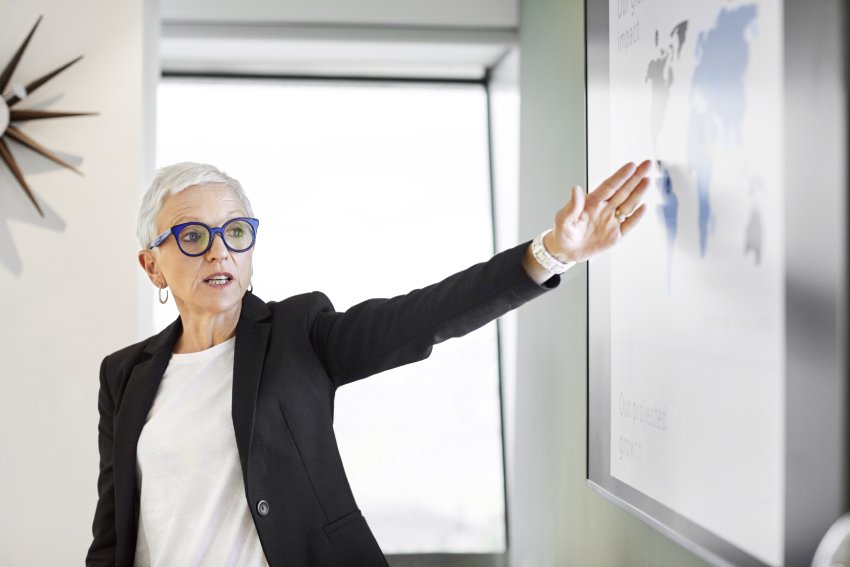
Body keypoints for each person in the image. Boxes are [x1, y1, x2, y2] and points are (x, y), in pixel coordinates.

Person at [85, 159, 651, 567]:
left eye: (235, 231)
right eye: (191, 236)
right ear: (152, 266)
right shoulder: (125, 375)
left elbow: (420, 318)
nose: (218, 251)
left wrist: (549, 253)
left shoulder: (297, 333)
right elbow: (113, 531)